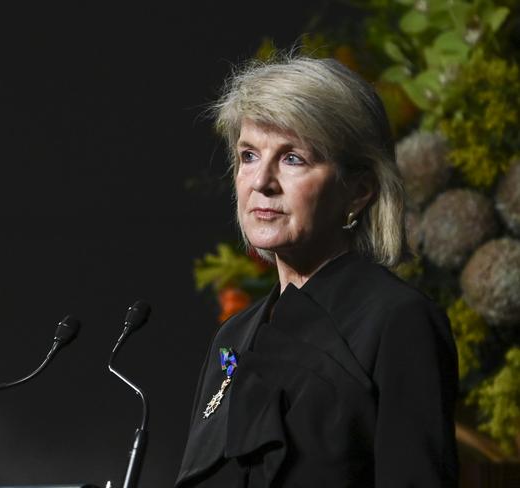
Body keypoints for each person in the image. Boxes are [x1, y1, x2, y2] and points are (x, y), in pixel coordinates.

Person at [175, 55, 459, 487]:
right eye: (249, 155)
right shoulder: (234, 336)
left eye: (293, 158)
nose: (261, 181)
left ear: (358, 190)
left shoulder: (398, 321)